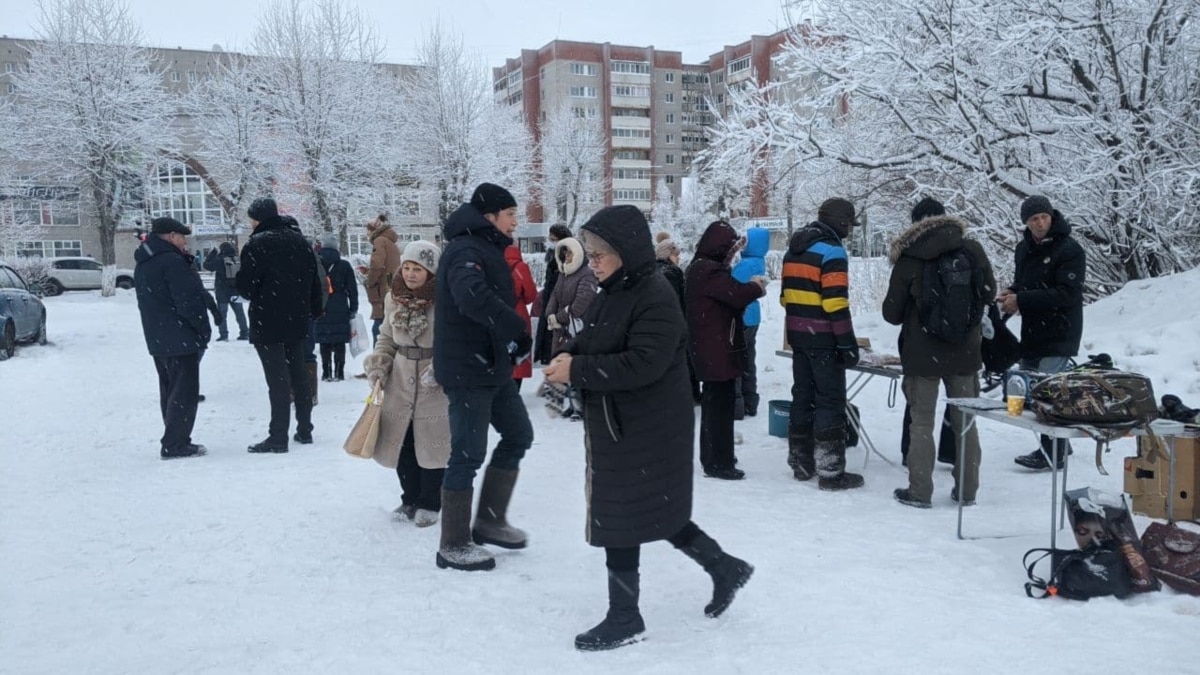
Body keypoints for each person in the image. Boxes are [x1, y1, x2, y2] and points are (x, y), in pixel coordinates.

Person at [543, 205, 753, 652]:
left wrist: (578, 368)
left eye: (600, 254)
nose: (593, 262)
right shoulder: (616, 288)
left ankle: (625, 617)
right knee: (652, 509)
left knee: (620, 516)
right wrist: (569, 354)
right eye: (591, 254)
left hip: (647, 426)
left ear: (626, 252)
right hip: (627, 423)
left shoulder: (654, 294)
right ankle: (724, 567)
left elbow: (644, 362)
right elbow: (600, 334)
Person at [433, 183, 534, 572]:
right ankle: (453, 543)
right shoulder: (465, 250)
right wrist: (515, 328)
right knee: (467, 453)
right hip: (467, 369)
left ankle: (490, 520)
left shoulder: (486, 247)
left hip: (492, 366)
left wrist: (509, 345)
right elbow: (471, 296)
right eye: (510, 215)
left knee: (519, 435)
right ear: (490, 216)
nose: (515, 222)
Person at [882, 197, 996, 508]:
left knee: (921, 423)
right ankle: (967, 491)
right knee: (967, 423)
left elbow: (891, 313)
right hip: (966, 353)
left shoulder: (909, 258)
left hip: (922, 355)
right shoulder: (971, 250)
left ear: (915, 223)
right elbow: (990, 293)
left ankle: (920, 491)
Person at [364, 241, 450, 527]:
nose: (412, 274)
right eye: (408, 267)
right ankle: (409, 497)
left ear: (431, 272)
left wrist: (442, 368)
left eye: (419, 269)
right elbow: (386, 338)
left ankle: (430, 502)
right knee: (403, 442)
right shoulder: (393, 298)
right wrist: (379, 364)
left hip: (433, 382)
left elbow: (455, 341)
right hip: (400, 379)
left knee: (432, 443)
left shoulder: (445, 300)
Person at [780, 198, 864, 491]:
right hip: (824, 340)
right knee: (830, 400)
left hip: (798, 337)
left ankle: (801, 463)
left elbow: (784, 298)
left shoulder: (794, 249)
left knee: (802, 397)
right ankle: (831, 473)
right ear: (841, 222)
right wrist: (847, 344)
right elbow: (835, 302)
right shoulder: (832, 251)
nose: (850, 232)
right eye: (849, 225)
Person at [998, 195, 1086, 470]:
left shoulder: (1070, 249)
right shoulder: (1023, 249)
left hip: (1061, 330)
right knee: (1032, 393)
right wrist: (1013, 293)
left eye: (1043, 217)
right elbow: (1025, 282)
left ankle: (1053, 452)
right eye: (1034, 219)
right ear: (1026, 222)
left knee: (1049, 391)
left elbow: (1067, 293)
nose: (1039, 223)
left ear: (1051, 217)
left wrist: (1022, 300)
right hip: (1033, 330)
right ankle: (1059, 443)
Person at [236, 198, 326, 454]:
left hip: (268, 320)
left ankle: (278, 437)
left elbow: (246, 287)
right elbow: (314, 280)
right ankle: (305, 429)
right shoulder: (300, 241)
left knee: (277, 380)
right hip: (297, 318)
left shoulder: (256, 244)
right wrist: (314, 309)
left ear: (258, 219)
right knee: (298, 373)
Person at [686, 221, 767, 480]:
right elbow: (736, 294)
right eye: (730, 250)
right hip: (717, 347)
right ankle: (719, 462)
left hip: (708, 346)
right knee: (720, 407)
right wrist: (757, 286)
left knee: (714, 405)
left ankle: (713, 458)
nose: (732, 255)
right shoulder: (710, 271)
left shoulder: (698, 268)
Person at [134, 217, 212, 460]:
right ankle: (176, 443)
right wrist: (202, 330)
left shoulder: (145, 261)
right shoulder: (172, 262)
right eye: (181, 237)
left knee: (169, 390)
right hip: (180, 336)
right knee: (184, 393)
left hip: (158, 336)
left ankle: (174, 437)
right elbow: (188, 302)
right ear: (170, 236)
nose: (184, 242)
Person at [654, 232, 700, 403]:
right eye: (676, 254)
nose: (679, 257)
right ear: (668, 254)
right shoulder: (672, 273)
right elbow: (677, 301)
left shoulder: (655, 271)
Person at [732, 226, 769, 418]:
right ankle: (750, 401)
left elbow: (731, 285)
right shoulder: (758, 262)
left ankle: (736, 405)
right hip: (753, 316)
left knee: (736, 360)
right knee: (748, 359)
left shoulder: (745, 265)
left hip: (743, 317)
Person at [314, 234, 359, 382]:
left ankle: (326, 372)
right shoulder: (344, 265)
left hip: (321, 305)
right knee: (340, 340)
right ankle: (339, 371)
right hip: (340, 305)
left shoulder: (316, 263)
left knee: (324, 340)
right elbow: (352, 289)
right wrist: (353, 308)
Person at [545, 237, 598, 354]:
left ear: (578, 254)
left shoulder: (587, 274)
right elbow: (555, 295)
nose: (566, 256)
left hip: (577, 331)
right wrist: (550, 314)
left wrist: (558, 318)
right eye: (565, 252)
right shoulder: (563, 273)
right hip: (559, 330)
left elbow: (580, 304)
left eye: (570, 252)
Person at [534, 224, 572, 365]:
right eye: (550, 238)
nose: (551, 242)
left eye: (554, 239)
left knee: (557, 352)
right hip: (550, 309)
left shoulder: (567, 260)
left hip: (559, 312)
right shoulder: (552, 259)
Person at [364, 214, 402, 345]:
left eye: (368, 229)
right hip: (391, 285)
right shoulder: (390, 242)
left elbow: (378, 264)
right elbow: (389, 267)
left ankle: (378, 359)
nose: (367, 233)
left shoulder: (379, 241)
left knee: (379, 328)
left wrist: (371, 280)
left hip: (382, 290)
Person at [505, 244, 537, 391]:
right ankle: (516, 387)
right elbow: (531, 295)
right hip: (519, 312)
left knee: (503, 348)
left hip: (500, 313)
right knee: (520, 347)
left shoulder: (495, 266)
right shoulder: (521, 267)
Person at [203, 241, 249, 341]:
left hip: (222, 292)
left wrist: (212, 254)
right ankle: (245, 332)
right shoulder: (237, 259)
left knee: (222, 315)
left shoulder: (220, 260)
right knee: (240, 313)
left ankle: (224, 335)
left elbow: (207, 266)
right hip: (236, 292)